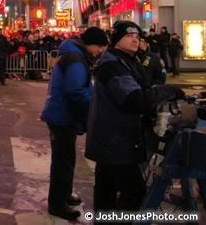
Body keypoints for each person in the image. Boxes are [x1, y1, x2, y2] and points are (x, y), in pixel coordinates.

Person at [85, 21, 185, 213]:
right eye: (129, 35)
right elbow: (134, 99)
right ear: (116, 40)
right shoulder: (113, 65)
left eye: (137, 36)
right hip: (116, 142)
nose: (135, 39)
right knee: (133, 192)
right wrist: (169, 91)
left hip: (112, 139)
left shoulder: (126, 60)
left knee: (106, 191)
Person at [41, 27, 109, 221]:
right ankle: (57, 204)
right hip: (62, 115)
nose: (99, 52)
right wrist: (94, 106)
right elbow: (76, 91)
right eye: (99, 48)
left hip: (62, 114)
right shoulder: (76, 58)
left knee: (67, 159)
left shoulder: (74, 54)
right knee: (63, 161)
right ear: (93, 44)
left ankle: (64, 194)